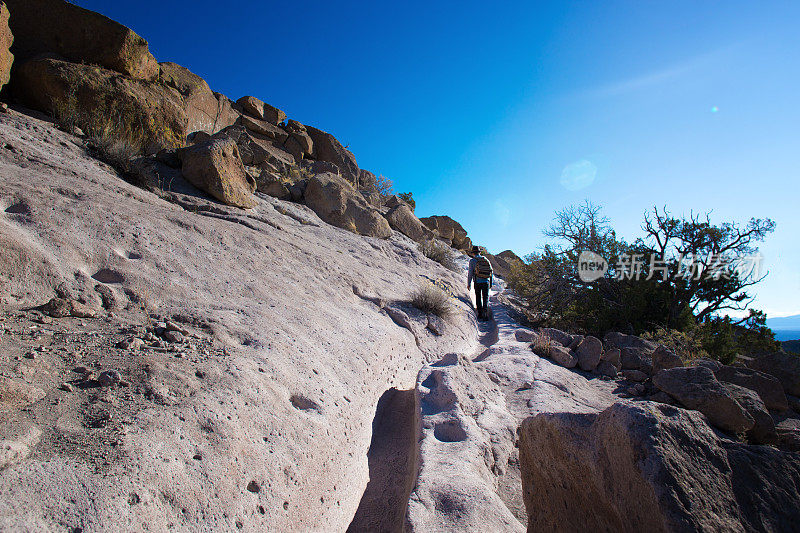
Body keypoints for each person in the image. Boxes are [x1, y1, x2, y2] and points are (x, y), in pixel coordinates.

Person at [467, 245, 493, 320]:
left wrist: (469, 284)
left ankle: (480, 314)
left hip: (477, 282)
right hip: (486, 281)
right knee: (485, 297)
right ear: (479, 252)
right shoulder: (485, 259)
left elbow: (470, 273)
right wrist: (490, 283)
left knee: (478, 297)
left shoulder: (472, 261)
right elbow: (491, 271)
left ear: (473, 253)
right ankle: (485, 314)